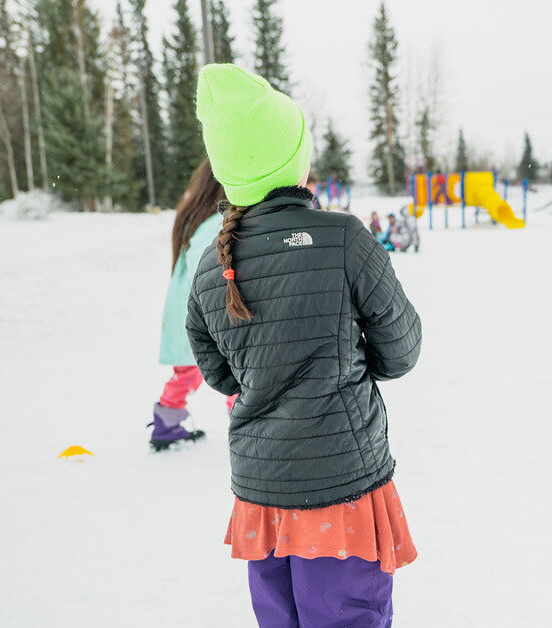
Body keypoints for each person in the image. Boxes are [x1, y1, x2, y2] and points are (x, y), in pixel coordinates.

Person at [186, 64, 421, 625]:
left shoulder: (207, 267)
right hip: (339, 486)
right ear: (292, 158)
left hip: (261, 494)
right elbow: (402, 349)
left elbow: (221, 375)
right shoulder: (344, 238)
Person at [150, 159, 237, 451]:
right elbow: (207, 268)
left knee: (188, 372)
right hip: (203, 311)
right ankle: (248, 427)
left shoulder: (193, 215)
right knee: (236, 370)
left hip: (183, 310)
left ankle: (166, 423)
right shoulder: (215, 220)